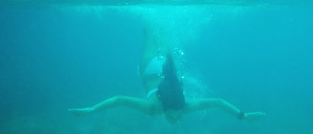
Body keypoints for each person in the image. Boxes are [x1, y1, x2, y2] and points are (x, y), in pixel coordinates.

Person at [69, 25, 266, 124]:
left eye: (175, 117)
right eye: (175, 117)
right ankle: (148, 12)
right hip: (148, 70)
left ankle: (152, 12)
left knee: (160, 40)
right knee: (149, 33)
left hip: (167, 68)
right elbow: (120, 99)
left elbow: (218, 101)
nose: (175, 120)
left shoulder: (185, 106)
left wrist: (243, 115)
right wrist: (90, 111)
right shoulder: (153, 109)